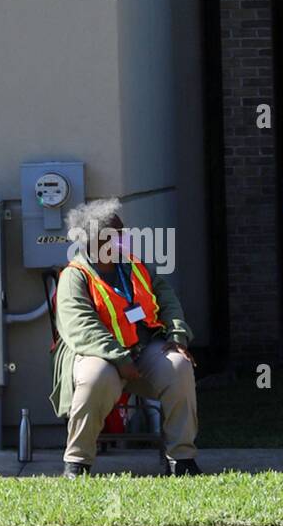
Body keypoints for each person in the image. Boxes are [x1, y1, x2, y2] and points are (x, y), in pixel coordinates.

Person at [51, 199, 200, 477]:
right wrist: (119, 359)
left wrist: (177, 335)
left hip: (144, 349)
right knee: (97, 377)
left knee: (179, 366)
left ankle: (182, 459)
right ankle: (77, 463)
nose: (125, 239)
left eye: (124, 233)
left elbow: (167, 301)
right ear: (95, 241)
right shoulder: (75, 276)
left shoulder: (136, 266)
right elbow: (82, 328)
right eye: (117, 235)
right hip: (98, 355)